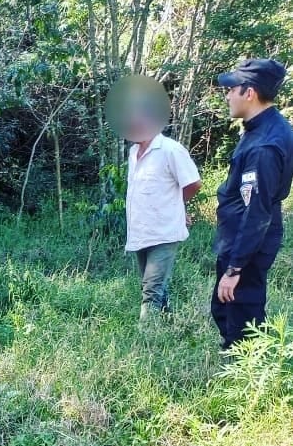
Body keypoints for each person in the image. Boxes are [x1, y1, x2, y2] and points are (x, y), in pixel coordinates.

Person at [213, 58, 293, 351]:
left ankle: (246, 375)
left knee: (240, 313)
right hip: (244, 235)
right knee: (231, 308)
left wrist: (235, 269)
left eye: (231, 89)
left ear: (250, 93)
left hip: (248, 240)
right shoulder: (263, 128)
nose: (227, 95)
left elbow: (256, 211)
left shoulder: (264, 145)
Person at [110, 76, 202, 320]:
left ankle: (146, 341)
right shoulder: (133, 152)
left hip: (165, 231)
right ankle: (170, 325)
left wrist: (176, 207)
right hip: (142, 232)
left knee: (151, 289)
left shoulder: (170, 150)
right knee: (154, 286)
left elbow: (193, 184)